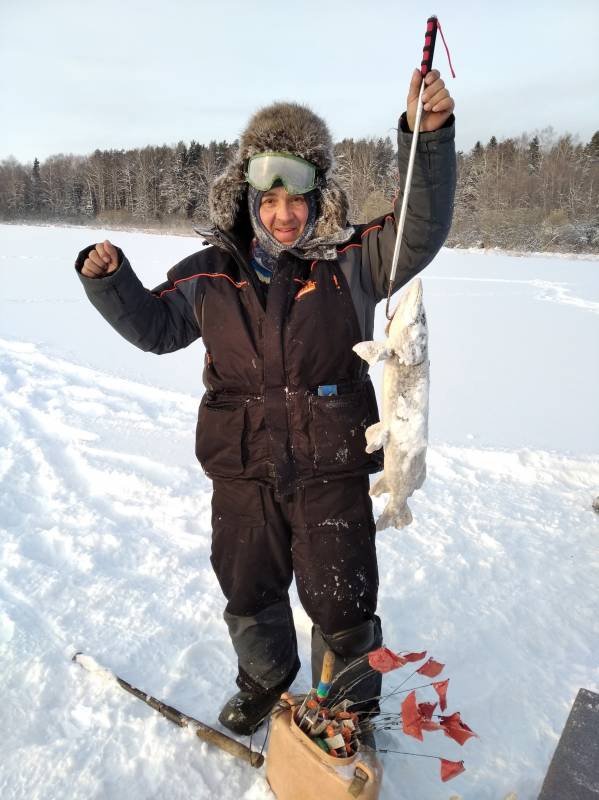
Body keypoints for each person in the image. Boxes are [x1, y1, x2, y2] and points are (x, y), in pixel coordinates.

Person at [76, 68, 456, 738]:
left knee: (342, 600)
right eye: (269, 196)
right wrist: (111, 283)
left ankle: (345, 711)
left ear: (318, 198)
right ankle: (263, 679)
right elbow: (156, 329)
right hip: (242, 468)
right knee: (247, 588)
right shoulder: (207, 274)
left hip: (329, 470)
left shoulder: (350, 262)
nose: (284, 213)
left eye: (298, 197)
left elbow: (418, 230)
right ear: (247, 194)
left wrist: (426, 141)